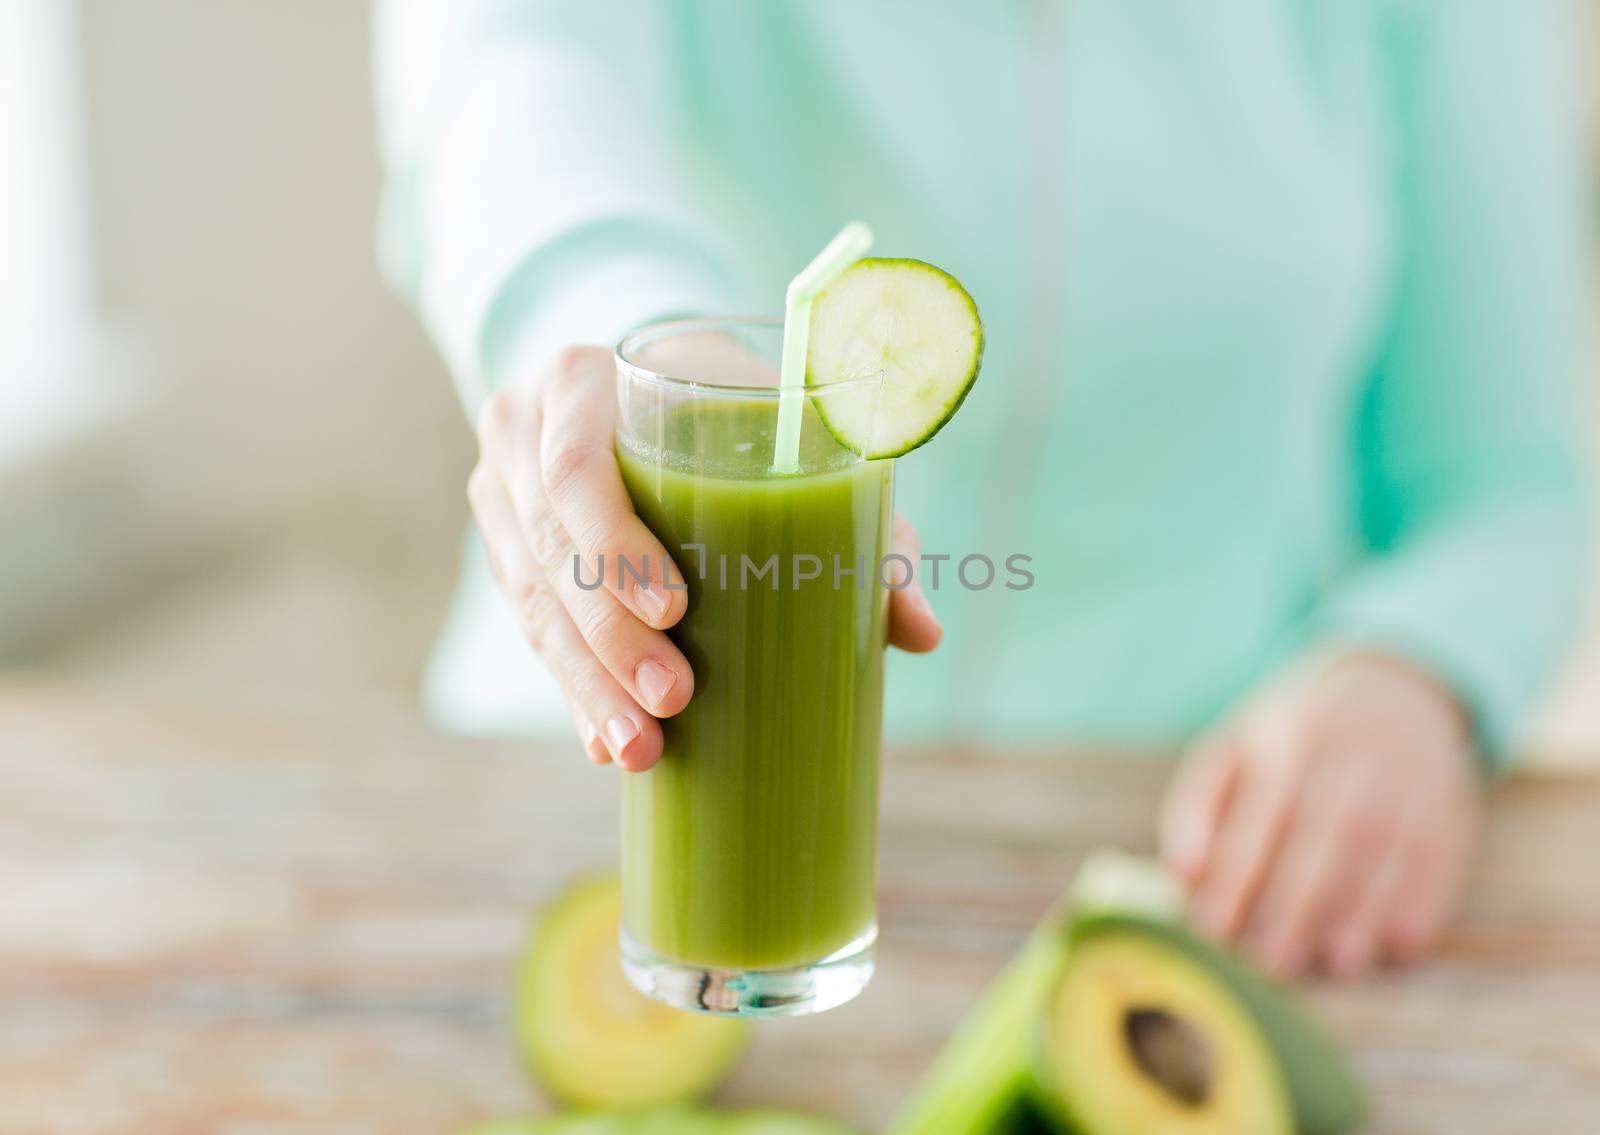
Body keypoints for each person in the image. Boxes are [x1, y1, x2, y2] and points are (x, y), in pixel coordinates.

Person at [374, 1, 1593, 978]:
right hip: (588, 836)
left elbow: (1512, 477)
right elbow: (507, 86)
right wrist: (612, 338)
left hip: (1187, 881)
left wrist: (1417, 667)